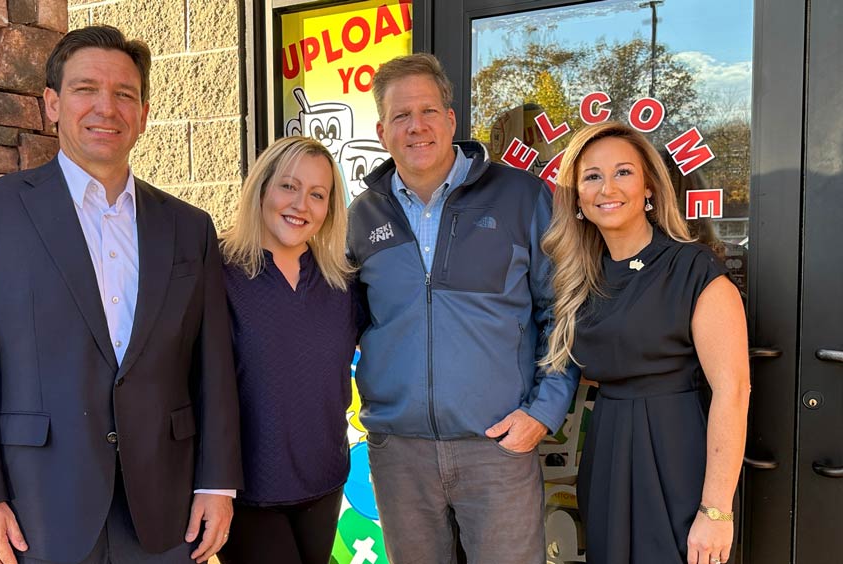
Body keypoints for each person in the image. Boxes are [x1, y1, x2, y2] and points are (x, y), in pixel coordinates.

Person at [0, 25, 242, 564]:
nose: (107, 107)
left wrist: (218, 483)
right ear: (51, 104)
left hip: (163, 508)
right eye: (85, 89)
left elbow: (212, 364)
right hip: (36, 509)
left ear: (143, 113)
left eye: (125, 94)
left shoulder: (190, 227)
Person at [345, 53, 580, 564]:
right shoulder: (361, 217)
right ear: (383, 131)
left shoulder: (521, 197)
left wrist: (542, 413)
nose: (417, 126)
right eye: (401, 117)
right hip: (400, 454)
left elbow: (562, 312)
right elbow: (341, 324)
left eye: (428, 111)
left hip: (497, 446)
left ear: (451, 120)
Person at [540, 121, 750, 564]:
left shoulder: (692, 269)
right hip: (609, 449)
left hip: (677, 452)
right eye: (592, 176)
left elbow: (732, 392)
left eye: (623, 172)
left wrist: (716, 510)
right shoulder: (581, 277)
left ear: (649, 186)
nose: (607, 187)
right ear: (577, 198)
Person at [217, 136, 358, 564]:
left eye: (318, 195)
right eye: (288, 186)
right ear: (262, 188)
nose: (301, 204)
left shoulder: (342, 283)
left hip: (323, 480)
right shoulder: (216, 271)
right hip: (245, 490)